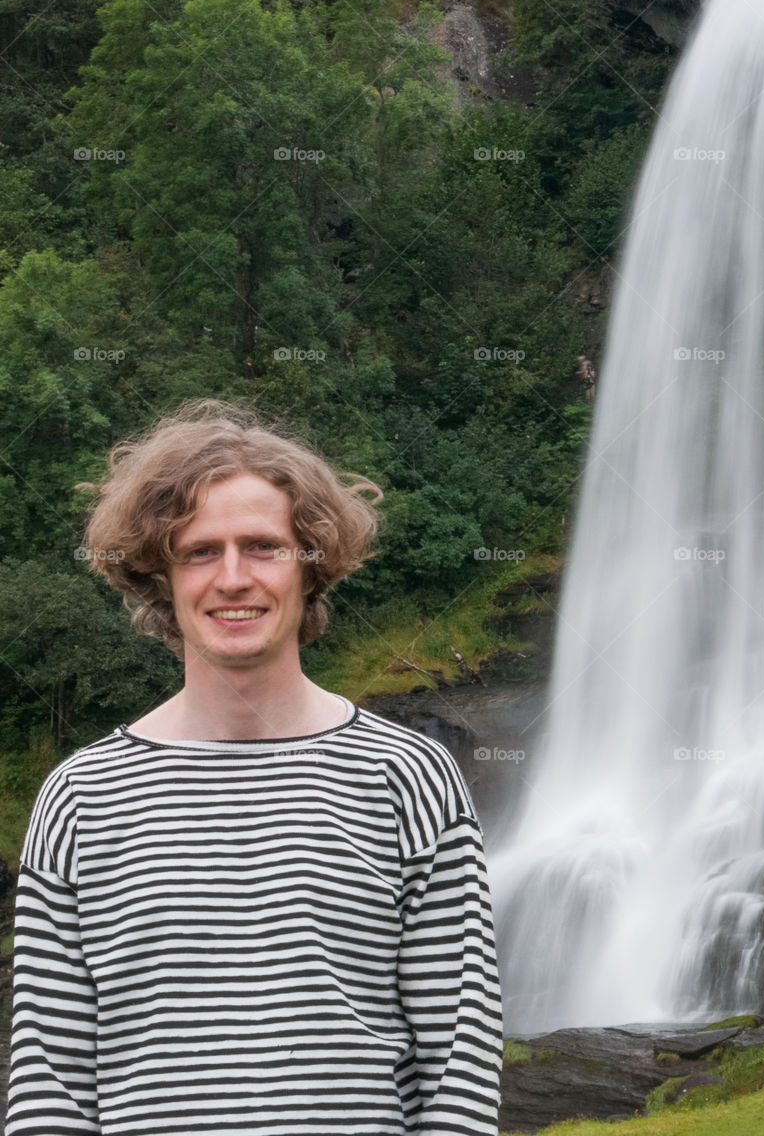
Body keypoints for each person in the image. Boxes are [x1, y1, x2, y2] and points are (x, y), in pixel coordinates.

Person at [4, 398, 503, 1135]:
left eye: (263, 547)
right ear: (158, 576)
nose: (232, 578)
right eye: (200, 551)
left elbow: (459, 1069)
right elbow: (50, 1088)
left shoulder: (409, 778)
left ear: (311, 567)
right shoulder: (81, 797)